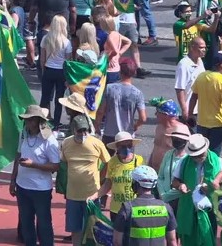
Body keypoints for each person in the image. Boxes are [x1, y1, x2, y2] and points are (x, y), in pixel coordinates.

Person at [10, 105, 60, 246]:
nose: (28, 123)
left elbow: (56, 166)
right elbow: (18, 155)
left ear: (38, 121)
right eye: (26, 119)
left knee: (44, 223)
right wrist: (13, 180)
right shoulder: (24, 134)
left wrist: (34, 165)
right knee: (26, 223)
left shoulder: (49, 140)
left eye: (31, 120)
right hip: (22, 187)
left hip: (41, 190)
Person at [61, 114, 110, 246]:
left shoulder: (97, 144)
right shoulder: (66, 143)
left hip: (92, 196)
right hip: (72, 196)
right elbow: (64, 162)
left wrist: (101, 178)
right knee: (75, 230)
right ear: (73, 130)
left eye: (85, 130)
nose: (83, 133)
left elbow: (108, 163)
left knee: (94, 229)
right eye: (80, 130)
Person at [171, 134, 222, 246]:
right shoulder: (184, 162)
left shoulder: (218, 162)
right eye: (195, 155)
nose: (198, 158)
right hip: (189, 208)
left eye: (200, 154)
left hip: (210, 210)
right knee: (189, 240)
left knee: (208, 238)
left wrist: (212, 188)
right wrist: (180, 186)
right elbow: (174, 182)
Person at [113, 165, 178, 246]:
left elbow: (117, 242)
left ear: (135, 184)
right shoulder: (166, 208)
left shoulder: (127, 208)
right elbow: (172, 241)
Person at [94, 58, 146, 153]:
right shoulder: (138, 93)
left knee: (107, 163)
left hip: (109, 133)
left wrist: (97, 125)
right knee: (126, 163)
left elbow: (101, 111)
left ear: (120, 72)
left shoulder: (109, 88)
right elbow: (143, 118)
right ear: (134, 73)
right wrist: (136, 126)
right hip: (127, 135)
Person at [189, 51, 222, 154]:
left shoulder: (201, 76)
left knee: (201, 151)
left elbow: (193, 97)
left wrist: (190, 114)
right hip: (218, 123)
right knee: (214, 154)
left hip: (202, 122)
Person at [96, 132, 145, 219]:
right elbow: (108, 183)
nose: (126, 148)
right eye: (123, 146)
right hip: (116, 209)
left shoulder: (139, 160)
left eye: (129, 145)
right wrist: (95, 196)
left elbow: (144, 183)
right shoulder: (112, 162)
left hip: (134, 207)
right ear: (117, 147)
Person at [155, 124, 191, 212]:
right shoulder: (168, 154)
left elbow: (188, 185)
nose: (176, 141)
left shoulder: (189, 158)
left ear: (185, 141)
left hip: (181, 201)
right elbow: (160, 177)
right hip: (164, 199)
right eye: (174, 139)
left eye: (179, 139)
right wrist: (163, 194)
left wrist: (168, 196)